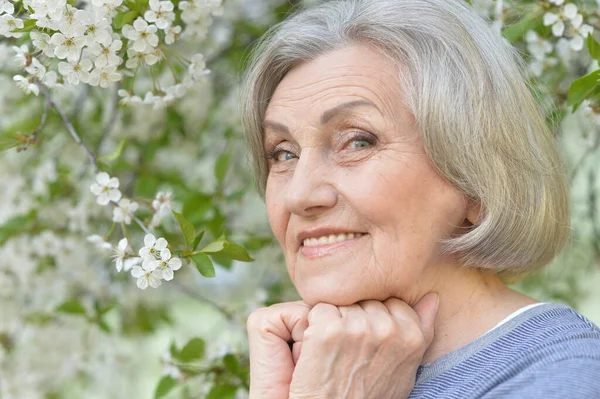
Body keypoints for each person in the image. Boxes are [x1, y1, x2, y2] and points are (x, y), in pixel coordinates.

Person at [239, 0, 600, 397]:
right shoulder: (306, 365)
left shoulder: (562, 381)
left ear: (474, 176)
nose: (299, 194)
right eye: (283, 153)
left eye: (357, 141)